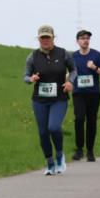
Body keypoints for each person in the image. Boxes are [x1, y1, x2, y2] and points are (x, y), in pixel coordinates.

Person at [23, 26, 75, 175]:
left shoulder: (63, 54)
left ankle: (59, 155)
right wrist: (31, 79)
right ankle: (50, 163)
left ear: (53, 38)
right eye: (42, 38)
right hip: (39, 100)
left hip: (59, 98)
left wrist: (70, 82)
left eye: (48, 37)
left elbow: (73, 70)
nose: (45, 40)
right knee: (43, 132)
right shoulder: (32, 57)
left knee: (53, 127)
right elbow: (25, 76)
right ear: (38, 39)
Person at [70, 29, 100, 162]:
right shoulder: (73, 57)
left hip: (93, 93)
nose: (85, 40)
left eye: (87, 38)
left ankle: (90, 151)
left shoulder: (97, 55)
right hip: (78, 93)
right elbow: (68, 72)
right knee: (79, 119)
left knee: (91, 121)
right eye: (82, 38)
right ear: (77, 41)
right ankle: (79, 149)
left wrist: (94, 68)